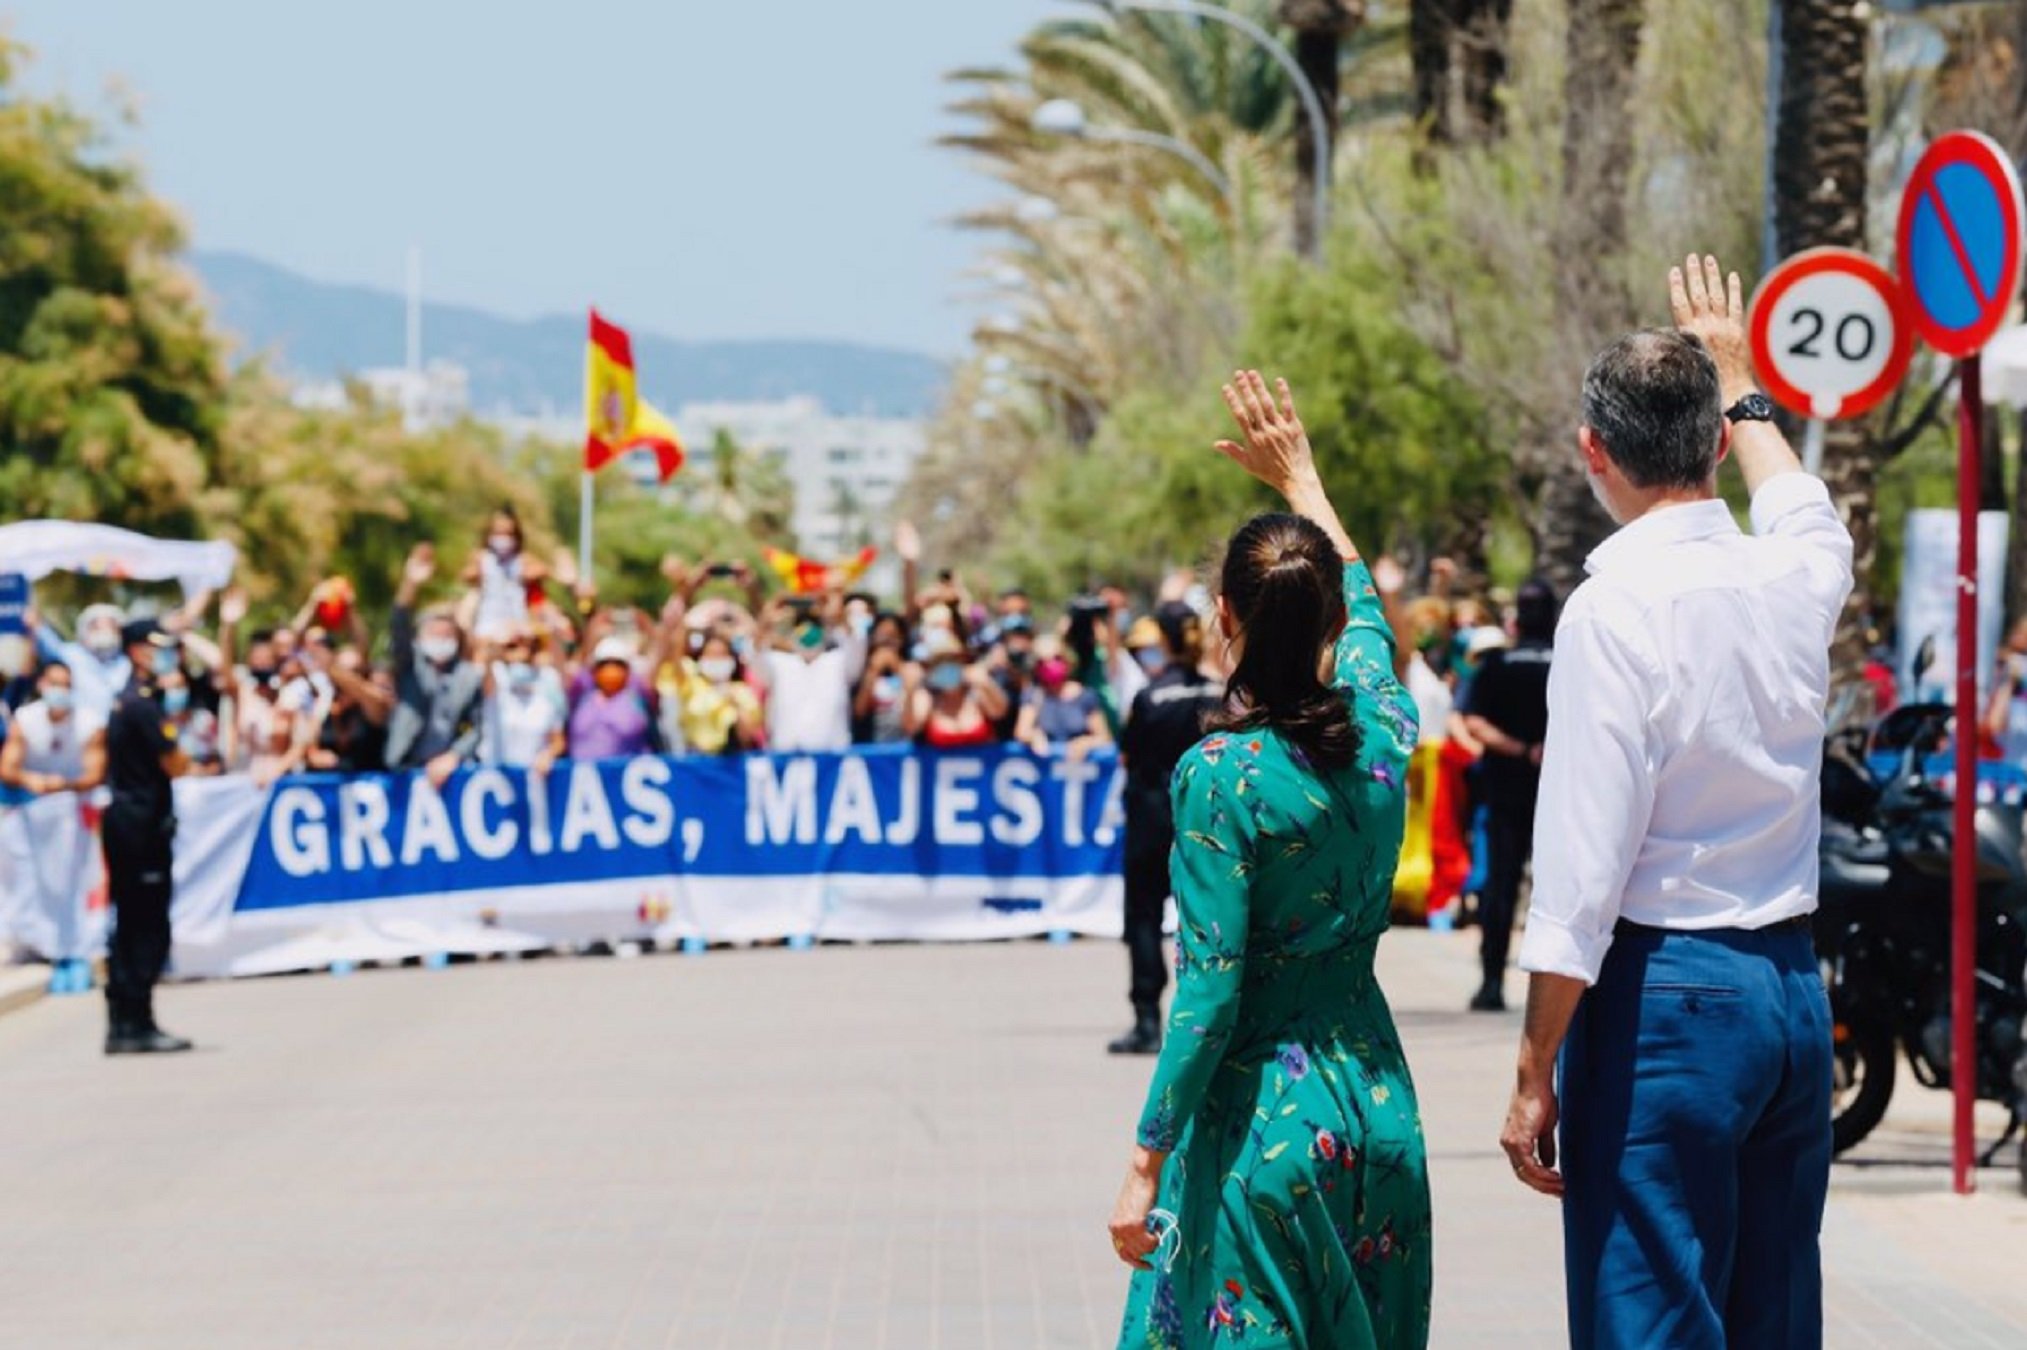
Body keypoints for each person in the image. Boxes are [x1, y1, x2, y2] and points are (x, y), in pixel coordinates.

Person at [1499, 257, 1854, 1349]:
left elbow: (1580, 875)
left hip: (1667, 1000)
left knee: (1650, 1320)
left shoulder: (1613, 611)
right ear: (1711, 443)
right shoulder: (1793, 575)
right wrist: (1737, 367)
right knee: (1772, 1319)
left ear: (1590, 453)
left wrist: (1530, 1072)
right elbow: (1797, 498)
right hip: (1789, 993)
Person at [1111, 372, 1429, 1349]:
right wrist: (1304, 480)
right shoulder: (1385, 729)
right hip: (1377, 1115)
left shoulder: (1218, 777)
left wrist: (1143, 1160)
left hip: (1263, 1130)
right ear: (1330, 621)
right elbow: (1370, 610)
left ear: (1220, 617)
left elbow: (1207, 993)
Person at [1107, 601, 1222, 1056]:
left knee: (1143, 919)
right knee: (1209, 922)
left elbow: (1130, 757)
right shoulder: (1219, 694)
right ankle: (1207, 1022)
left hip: (1151, 820)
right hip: (1202, 822)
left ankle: (1148, 1020)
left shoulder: (1150, 697)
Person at [1456, 577, 1557, 1012]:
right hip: (1560, 794)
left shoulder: (1496, 665)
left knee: (1500, 887)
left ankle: (1492, 982)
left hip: (1506, 790)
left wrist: (1518, 750)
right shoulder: (1568, 660)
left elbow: (1473, 722)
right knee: (1565, 892)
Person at [101, 619, 194, 1055]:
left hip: (130, 821)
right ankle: (135, 1019)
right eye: (157, 649)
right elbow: (176, 763)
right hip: (139, 826)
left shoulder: (132, 700)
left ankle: (126, 1021)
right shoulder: (140, 704)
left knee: (130, 923)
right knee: (145, 926)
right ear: (138, 651)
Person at [0, 661, 107, 993]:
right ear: (43, 685)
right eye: (54, 683)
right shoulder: (26, 719)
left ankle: (75, 950)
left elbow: (95, 772)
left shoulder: (90, 723)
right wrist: (32, 779)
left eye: (66, 684)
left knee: (72, 883)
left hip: (74, 811)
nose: (60, 692)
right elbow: (8, 767)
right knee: (28, 881)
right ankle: (38, 945)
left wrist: (62, 785)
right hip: (32, 813)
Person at [387, 544, 486, 788]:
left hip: (451, 775)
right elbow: (398, 627)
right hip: (406, 771)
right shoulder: (411, 667)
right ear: (420, 638)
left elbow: (479, 725)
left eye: (447, 635)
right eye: (434, 633)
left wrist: (454, 756)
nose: (441, 640)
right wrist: (411, 584)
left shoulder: (468, 676)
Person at [485, 627, 568, 774]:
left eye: (529, 645)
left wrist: (548, 755)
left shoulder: (549, 679)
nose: (521, 651)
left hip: (535, 777)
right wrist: (501, 642)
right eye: (513, 646)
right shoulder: (496, 674)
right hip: (496, 774)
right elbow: (484, 659)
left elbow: (558, 739)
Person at [904, 632, 1008, 749]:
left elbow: (999, 712)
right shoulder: (927, 698)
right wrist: (909, 691)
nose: (947, 666)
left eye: (952, 660)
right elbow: (911, 727)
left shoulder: (976, 694)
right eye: (939, 662)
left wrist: (985, 683)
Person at [1015, 637, 1109, 757]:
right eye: (1043, 661)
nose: (1050, 664)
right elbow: (1022, 731)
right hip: (1045, 770)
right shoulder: (1033, 695)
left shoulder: (1085, 695)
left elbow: (1104, 737)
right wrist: (1034, 736)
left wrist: (1085, 743)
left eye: (1056, 658)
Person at [567, 637, 659, 760]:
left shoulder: (637, 696)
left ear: (627, 670)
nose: (610, 669)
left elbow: (656, 662)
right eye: (604, 664)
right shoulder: (581, 698)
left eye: (617, 664)